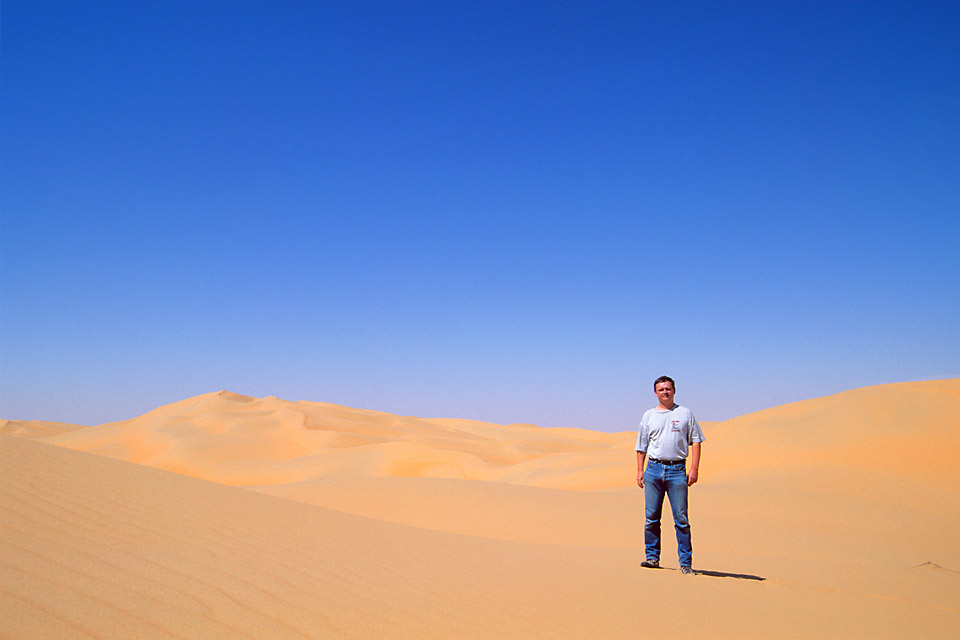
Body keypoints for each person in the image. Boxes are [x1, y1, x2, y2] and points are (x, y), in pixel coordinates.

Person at [636, 375, 704, 574]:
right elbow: (641, 446)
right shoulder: (648, 415)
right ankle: (652, 557)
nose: (665, 392)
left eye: (668, 388)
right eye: (661, 389)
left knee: (681, 519)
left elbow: (697, 440)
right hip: (653, 469)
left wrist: (694, 468)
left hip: (677, 471)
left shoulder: (685, 413)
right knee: (651, 518)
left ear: (674, 390)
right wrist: (640, 470)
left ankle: (685, 563)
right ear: (655, 393)